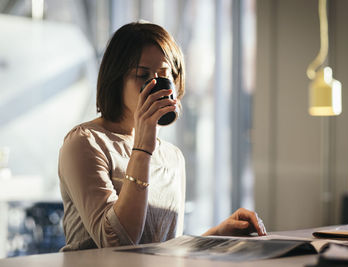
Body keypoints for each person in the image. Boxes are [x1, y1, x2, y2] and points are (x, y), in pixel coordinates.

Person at [58, 21, 267, 251]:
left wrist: (218, 235)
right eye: (143, 75)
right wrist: (142, 149)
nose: (156, 84)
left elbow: (164, 251)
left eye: (165, 75)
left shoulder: (172, 156)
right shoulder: (85, 142)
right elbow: (116, 243)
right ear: (117, 80)